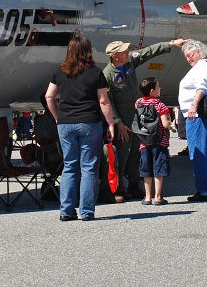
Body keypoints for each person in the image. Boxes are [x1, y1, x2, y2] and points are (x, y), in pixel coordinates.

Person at [101, 38, 184, 202]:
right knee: (122, 153)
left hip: (137, 118)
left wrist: (171, 44)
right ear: (115, 56)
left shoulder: (129, 62)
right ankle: (118, 188)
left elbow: (148, 52)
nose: (127, 52)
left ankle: (134, 184)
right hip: (123, 119)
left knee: (136, 152)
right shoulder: (107, 75)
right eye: (124, 51)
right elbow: (108, 101)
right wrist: (118, 123)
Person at [44, 35, 115, 221]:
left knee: (69, 166)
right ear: (88, 51)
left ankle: (66, 210)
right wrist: (110, 123)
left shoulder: (59, 72)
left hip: (65, 123)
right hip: (89, 121)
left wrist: (57, 116)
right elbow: (103, 100)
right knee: (89, 167)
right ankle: (86, 211)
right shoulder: (95, 73)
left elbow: (49, 97)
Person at [178, 39, 207, 202]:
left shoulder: (202, 65)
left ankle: (204, 190)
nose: (188, 59)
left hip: (199, 115)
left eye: (190, 55)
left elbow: (201, 87)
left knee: (198, 152)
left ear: (198, 52)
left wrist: (193, 105)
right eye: (186, 57)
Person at [135, 77, 172, 205]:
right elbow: (165, 123)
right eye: (158, 86)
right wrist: (170, 122)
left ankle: (147, 197)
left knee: (146, 169)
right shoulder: (160, 105)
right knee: (158, 168)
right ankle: (158, 197)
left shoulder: (138, 102)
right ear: (152, 91)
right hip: (159, 141)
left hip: (144, 141)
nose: (160, 88)